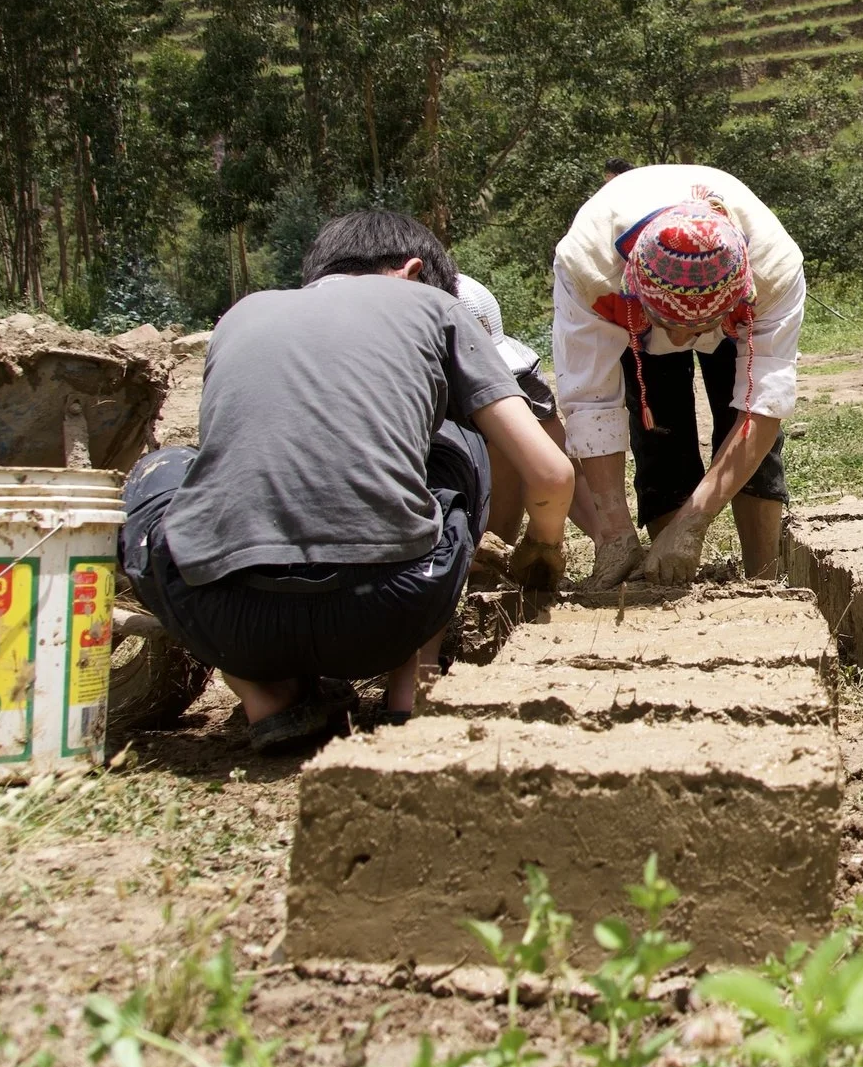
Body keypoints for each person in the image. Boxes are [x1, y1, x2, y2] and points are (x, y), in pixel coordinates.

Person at [122, 212, 575, 753]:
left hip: (228, 623)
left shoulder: (242, 313)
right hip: (385, 611)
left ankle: (266, 697)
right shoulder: (432, 305)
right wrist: (543, 545)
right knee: (464, 440)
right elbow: (550, 472)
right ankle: (414, 684)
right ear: (412, 272)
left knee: (165, 469)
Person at [551, 164, 805, 587]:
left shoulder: (773, 272)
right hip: (632, 321)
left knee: (743, 421)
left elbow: (763, 406)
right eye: (670, 322)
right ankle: (666, 577)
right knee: (660, 430)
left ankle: (764, 576)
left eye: (698, 327)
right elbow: (590, 401)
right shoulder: (588, 269)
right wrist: (612, 530)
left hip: (733, 320)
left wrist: (696, 519)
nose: (682, 336)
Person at [454, 273, 570, 546]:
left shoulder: (523, 377)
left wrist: (606, 537)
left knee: (508, 437)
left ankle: (489, 560)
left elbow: (558, 465)